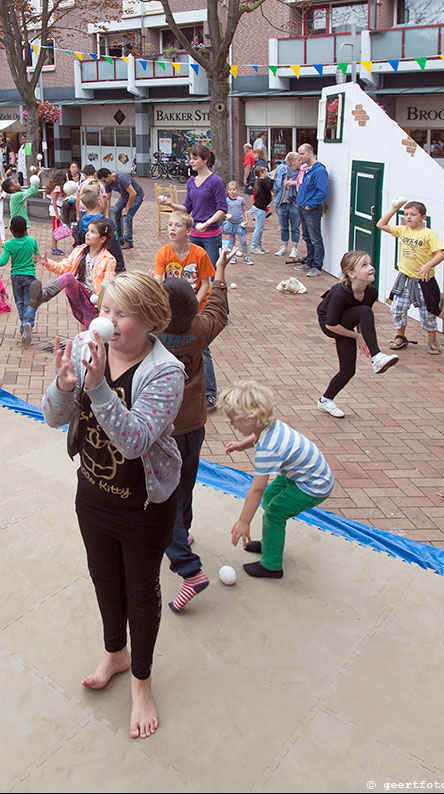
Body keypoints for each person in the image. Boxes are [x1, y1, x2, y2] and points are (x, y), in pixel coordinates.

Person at [41, 271, 181, 739]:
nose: (108, 322)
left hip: (145, 503)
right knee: (104, 579)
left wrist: (97, 385)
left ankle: (141, 681)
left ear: (151, 321)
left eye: (123, 314)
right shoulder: (87, 349)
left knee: (141, 589)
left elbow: (137, 440)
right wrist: (65, 386)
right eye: (105, 310)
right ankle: (115, 653)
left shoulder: (165, 372)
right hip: (94, 493)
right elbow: (53, 418)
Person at [155, 248, 231, 612]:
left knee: (161, 497)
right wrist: (221, 276)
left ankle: (187, 565)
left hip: (163, 431)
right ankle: (183, 531)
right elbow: (218, 310)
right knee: (185, 482)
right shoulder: (199, 330)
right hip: (194, 426)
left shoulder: (150, 339)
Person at [221, 380, 334, 579]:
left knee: (274, 512)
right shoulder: (267, 425)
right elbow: (255, 438)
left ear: (252, 418)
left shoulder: (268, 448)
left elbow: (256, 488)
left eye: (233, 419)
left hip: (313, 486)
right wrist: (240, 446)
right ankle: (270, 541)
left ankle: (271, 565)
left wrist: (243, 521)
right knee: (271, 496)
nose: (230, 423)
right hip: (300, 475)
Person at [156, 145, 226, 409]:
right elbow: (186, 208)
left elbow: (221, 207)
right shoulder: (191, 180)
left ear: (205, 159)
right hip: (194, 231)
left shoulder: (216, 181)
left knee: (208, 274)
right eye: (191, 157)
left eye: (194, 157)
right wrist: (170, 205)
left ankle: (215, 310)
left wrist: (208, 223)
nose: (191, 160)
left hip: (208, 234)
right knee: (193, 274)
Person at [315, 251, 400, 418]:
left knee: (348, 370)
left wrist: (363, 337)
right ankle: (377, 358)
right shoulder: (340, 293)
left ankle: (325, 400)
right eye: (364, 265)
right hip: (330, 323)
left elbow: (362, 318)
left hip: (346, 321)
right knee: (364, 311)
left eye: (370, 263)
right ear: (351, 273)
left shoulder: (371, 292)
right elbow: (331, 325)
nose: (371, 268)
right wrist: (357, 336)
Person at [378, 199, 444, 356]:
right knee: (398, 309)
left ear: (423, 217)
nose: (409, 217)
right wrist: (394, 209)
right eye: (406, 214)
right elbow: (381, 225)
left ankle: (432, 340)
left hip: (424, 281)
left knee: (428, 312)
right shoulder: (403, 230)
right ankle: (400, 336)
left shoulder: (429, 234)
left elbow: (440, 254)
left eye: (413, 214)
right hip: (405, 279)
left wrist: (428, 265)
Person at [39, 218, 118, 329]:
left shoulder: (109, 260)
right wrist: (47, 263)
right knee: (68, 277)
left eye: (93, 232)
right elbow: (62, 267)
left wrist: (99, 301)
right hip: (78, 292)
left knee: (89, 333)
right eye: (88, 231)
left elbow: (107, 285)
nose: (87, 234)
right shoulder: (79, 251)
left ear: (102, 239)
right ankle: (44, 294)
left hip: (94, 301)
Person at [0, 215, 39, 345]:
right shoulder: (31, 240)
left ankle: (23, 325)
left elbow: (2, 262)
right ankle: (27, 323)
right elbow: (36, 255)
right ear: (26, 228)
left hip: (16, 277)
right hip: (29, 276)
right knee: (30, 302)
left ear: (11, 231)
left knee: (19, 303)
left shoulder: (9, 244)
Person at [154, 211, 214, 310]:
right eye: (170, 224)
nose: (172, 228)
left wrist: (194, 303)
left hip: (196, 304)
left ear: (188, 231)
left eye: (178, 225)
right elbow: (158, 278)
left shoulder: (200, 254)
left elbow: (205, 284)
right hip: (173, 303)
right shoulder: (162, 253)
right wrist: (154, 282)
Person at [295, 142, 328, 277]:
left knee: (315, 237)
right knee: (307, 236)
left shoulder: (319, 170)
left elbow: (323, 191)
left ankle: (317, 265)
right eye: (299, 153)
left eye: (302, 153)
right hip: (302, 207)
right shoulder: (307, 169)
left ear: (310, 153)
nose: (300, 157)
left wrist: (311, 204)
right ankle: (309, 261)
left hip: (310, 209)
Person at [96, 167, 143, 249]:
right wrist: (106, 214)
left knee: (126, 216)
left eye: (105, 180)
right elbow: (107, 199)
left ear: (109, 175)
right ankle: (120, 238)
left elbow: (133, 193)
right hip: (125, 195)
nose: (105, 183)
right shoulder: (107, 184)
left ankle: (128, 241)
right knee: (114, 212)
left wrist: (127, 208)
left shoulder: (122, 178)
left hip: (136, 196)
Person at [271, 151, 302, 259]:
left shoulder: (302, 172)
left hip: (295, 203)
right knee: (283, 226)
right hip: (281, 201)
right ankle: (283, 246)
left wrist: (294, 183)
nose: (301, 162)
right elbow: (273, 179)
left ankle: (294, 248)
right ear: (292, 162)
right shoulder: (281, 169)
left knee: (295, 227)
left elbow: (304, 185)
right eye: (298, 160)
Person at [222, 181, 251, 263]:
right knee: (231, 240)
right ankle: (232, 256)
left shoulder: (241, 200)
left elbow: (244, 210)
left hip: (239, 223)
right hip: (230, 223)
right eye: (230, 189)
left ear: (237, 190)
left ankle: (245, 256)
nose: (232, 191)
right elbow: (223, 211)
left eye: (234, 189)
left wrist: (246, 220)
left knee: (243, 240)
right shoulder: (226, 200)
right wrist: (226, 215)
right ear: (228, 190)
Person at [249, 164, 273, 253]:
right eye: (266, 171)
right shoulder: (262, 181)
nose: (268, 173)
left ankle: (259, 244)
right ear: (262, 173)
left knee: (261, 227)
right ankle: (254, 245)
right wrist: (273, 178)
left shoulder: (260, 181)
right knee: (259, 228)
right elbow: (269, 186)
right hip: (260, 208)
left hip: (261, 208)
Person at [46, 169, 69, 256]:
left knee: (55, 229)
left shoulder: (57, 187)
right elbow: (54, 201)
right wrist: (57, 213)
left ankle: (54, 247)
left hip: (55, 208)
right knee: (55, 229)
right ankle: (54, 248)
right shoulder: (58, 187)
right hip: (55, 208)